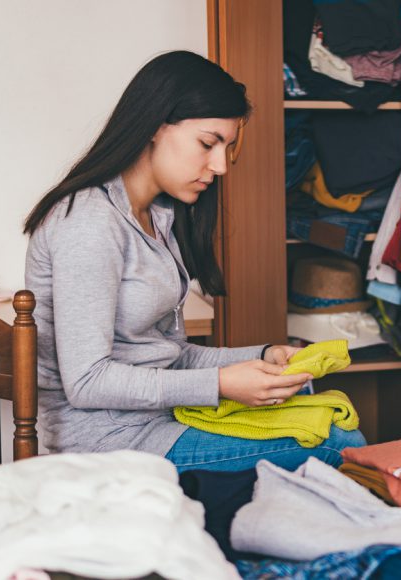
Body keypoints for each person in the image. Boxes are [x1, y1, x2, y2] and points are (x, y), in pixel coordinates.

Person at [23, 50, 365, 472]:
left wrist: (260, 356)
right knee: (337, 440)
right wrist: (221, 384)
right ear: (154, 127)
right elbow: (88, 381)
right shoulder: (90, 221)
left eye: (227, 148)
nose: (219, 166)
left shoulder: (155, 216)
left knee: (314, 403)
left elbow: (164, 356)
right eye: (208, 143)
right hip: (109, 443)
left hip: (157, 423)